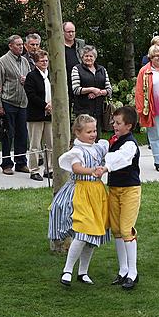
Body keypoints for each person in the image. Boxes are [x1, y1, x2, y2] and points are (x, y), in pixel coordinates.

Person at [50, 114, 110, 287]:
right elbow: (76, 168)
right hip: (82, 192)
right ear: (77, 133)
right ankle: (68, 270)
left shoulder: (99, 147)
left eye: (94, 130)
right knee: (83, 231)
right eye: (89, 131)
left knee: (92, 233)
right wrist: (91, 170)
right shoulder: (77, 151)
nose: (93, 134)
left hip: (97, 193)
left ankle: (83, 272)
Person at [98, 106, 142, 290]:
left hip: (130, 190)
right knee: (116, 228)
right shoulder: (114, 140)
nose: (114, 125)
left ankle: (133, 272)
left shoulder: (130, 144)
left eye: (118, 123)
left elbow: (120, 158)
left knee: (126, 229)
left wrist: (105, 167)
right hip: (114, 189)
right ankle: (123, 269)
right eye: (114, 122)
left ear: (129, 126)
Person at [0, 34, 31, 175]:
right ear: (10, 46)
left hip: (23, 103)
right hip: (8, 102)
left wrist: (26, 81)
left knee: (22, 134)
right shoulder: (2, 62)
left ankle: (21, 163)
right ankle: (6, 164)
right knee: (7, 134)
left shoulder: (25, 62)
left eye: (22, 44)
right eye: (18, 45)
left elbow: (30, 80)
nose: (21, 47)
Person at [24, 50, 53, 181]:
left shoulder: (50, 75)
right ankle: (34, 170)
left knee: (50, 143)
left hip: (50, 114)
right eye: (42, 61)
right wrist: (45, 105)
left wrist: (52, 105)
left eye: (46, 60)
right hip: (36, 114)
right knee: (35, 144)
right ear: (36, 63)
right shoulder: (31, 76)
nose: (45, 63)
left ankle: (49, 169)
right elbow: (31, 95)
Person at [71, 45, 112, 136]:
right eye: (86, 56)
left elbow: (109, 89)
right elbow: (76, 89)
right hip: (83, 110)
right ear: (82, 57)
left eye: (91, 56)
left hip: (98, 110)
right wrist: (91, 89)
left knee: (96, 136)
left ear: (95, 57)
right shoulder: (76, 69)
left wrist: (98, 93)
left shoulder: (102, 70)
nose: (88, 58)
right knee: (83, 136)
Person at [62, 21, 86, 96]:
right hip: (64, 80)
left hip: (79, 80)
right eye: (68, 32)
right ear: (63, 32)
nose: (71, 34)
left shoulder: (80, 44)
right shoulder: (58, 45)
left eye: (73, 31)